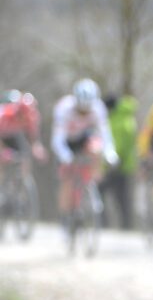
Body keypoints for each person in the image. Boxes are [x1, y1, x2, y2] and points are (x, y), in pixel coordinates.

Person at [51, 79, 118, 223]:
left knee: (96, 148)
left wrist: (110, 153)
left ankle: (92, 184)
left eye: (86, 111)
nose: (83, 114)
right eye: (80, 111)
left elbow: (105, 134)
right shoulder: (64, 108)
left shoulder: (98, 108)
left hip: (84, 139)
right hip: (66, 142)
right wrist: (66, 156)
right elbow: (57, 139)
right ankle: (65, 217)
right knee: (67, 181)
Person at [102, 93, 139, 230]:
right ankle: (106, 222)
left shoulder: (123, 119)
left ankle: (126, 225)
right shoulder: (112, 117)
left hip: (122, 164)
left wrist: (120, 159)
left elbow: (126, 142)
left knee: (121, 195)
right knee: (106, 192)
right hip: (111, 163)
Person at [0, 89, 48, 168]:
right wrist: (3, 151)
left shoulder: (32, 118)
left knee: (24, 155)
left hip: (13, 135)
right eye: (21, 115)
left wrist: (37, 148)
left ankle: (24, 177)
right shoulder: (4, 116)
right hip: (3, 134)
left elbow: (33, 138)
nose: (24, 120)